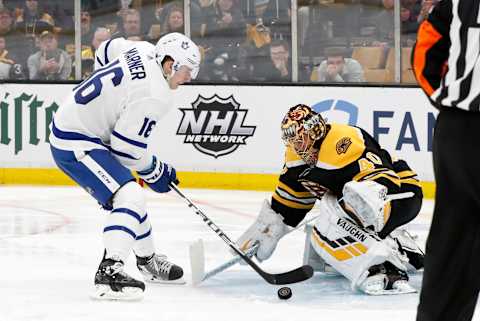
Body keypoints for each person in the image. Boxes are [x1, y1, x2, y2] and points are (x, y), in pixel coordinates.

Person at [49, 32, 201, 300]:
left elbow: (103, 51)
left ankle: (147, 260)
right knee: (130, 195)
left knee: (130, 194)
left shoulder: (142, 49)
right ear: (169, 64)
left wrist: (109, 101)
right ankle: (109, 271)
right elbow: (126, 150)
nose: (190, 78)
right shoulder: (155, 95)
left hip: (76, 125)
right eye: (187, 71)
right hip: (76, 140)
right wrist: (157, 171)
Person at [235, 104, 425, 295]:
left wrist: (342, 214)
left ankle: (385, 269)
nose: (297, 146)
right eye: (292, 140)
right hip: (369, 199)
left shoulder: (344, 141)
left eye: (300, 138)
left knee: (337, 215)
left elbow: (383, 187)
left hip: (401, 193)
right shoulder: (296, 159)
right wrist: (270, 226)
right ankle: (405, 252)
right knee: (335, 212)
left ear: (315, 130)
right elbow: (291, 201)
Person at [413, 1, 480, 320]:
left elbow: (425, 54)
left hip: (461, 130)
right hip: (461, 125)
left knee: (455, 237)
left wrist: (450, 104)